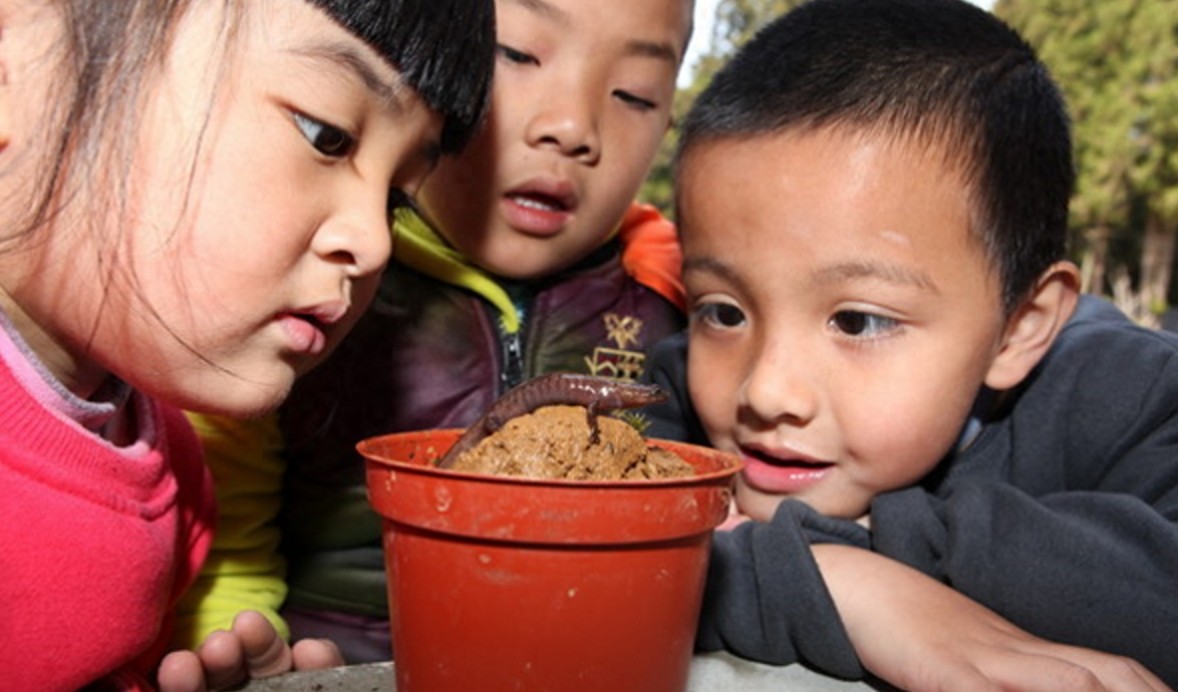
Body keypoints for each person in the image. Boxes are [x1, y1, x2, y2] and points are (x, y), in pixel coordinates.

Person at [643, 0, 1178, 688]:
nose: (766, 391)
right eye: (723, 311)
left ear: (1019, 327)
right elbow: (603, 562)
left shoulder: (1132, 399)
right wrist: (848, 588)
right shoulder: (672, 394)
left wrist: (894, 548)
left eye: (856, 322)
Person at [175, 0, 696, 665]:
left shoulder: (682, 298)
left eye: (635, 94)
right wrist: (253, 658)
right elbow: (223, 549)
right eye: (517, 55)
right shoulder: (306, 281)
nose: (572, 126)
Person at [0, 1, 495, 690]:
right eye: (327, 136)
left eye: (396, 199)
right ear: (22, 60)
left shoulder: (178, 471)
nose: (375, 243)